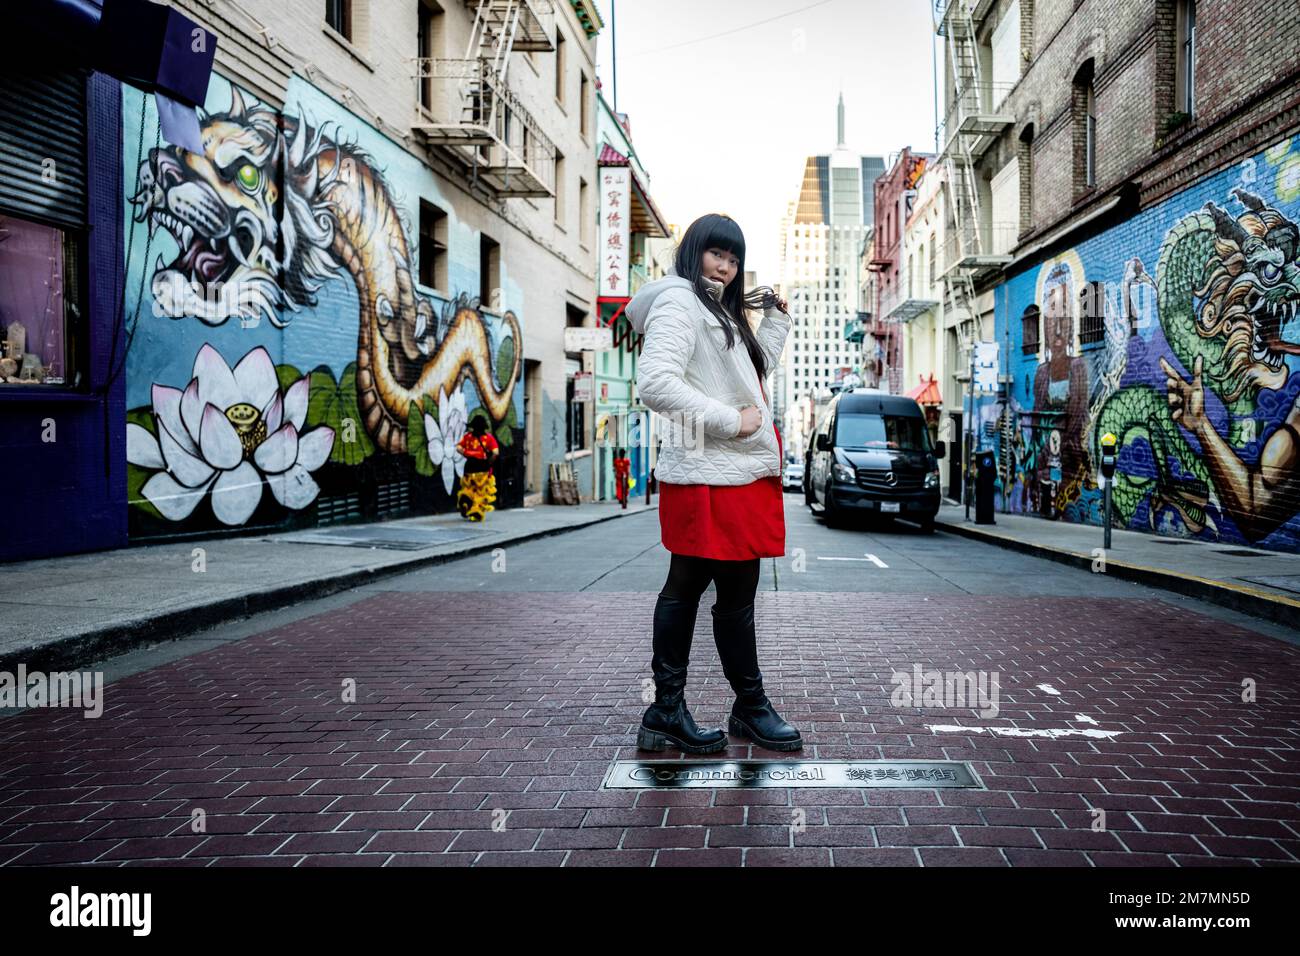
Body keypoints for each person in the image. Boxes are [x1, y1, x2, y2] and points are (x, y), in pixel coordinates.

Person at [625, 212, 802, 754]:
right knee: (689, 587)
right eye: (716, 253)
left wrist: (774, 321)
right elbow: (655, 383)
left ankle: (744, 707)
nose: (724, 266)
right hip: (707, 471)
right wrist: (731, 422)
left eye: (733, 258)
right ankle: (669, 709)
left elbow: (750, 372)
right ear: (693, 251)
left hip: (736, 471)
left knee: (736, 594)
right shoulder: (681, 300)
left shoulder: (714, 309)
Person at [456, 415, 499, 521]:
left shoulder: (468, 437)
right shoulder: (488, 438)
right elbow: (495, 452)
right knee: (480, 491)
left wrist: (466, 453)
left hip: (469, 466)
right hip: (482, 467)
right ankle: (476, 512)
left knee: (468, 487)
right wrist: (489, 463)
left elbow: (458, 448)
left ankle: (466, 500)